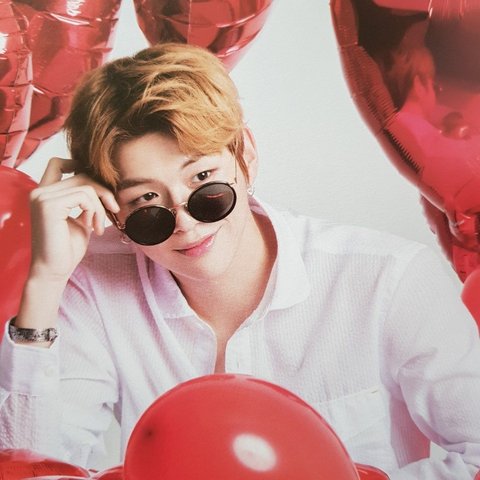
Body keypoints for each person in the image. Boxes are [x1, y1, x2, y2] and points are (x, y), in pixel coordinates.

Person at [1, 43, 480, 479]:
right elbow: (36, 470)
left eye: (203, 181)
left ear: (245, 156)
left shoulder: (390, 279)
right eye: (146, 203)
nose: (186, 223)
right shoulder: (92, 289)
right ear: (111, 210)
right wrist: (45, 281)